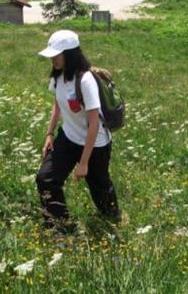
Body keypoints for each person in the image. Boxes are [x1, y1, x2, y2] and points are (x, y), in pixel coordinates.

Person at [35, 30, 120, 231]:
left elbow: (94, 124)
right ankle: (60, 226)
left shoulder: (85, 80)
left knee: (99, 186)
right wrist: (49, 134)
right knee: (45, 179)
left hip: (95, 144)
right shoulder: (57, 76)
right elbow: (57, 105)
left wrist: (83, 163)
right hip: (68, 137)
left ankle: (113, 217)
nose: (53, 59)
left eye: (57, 55)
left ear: (70, 54)